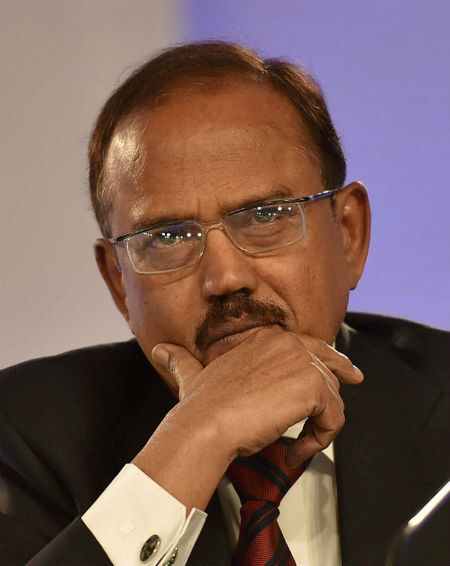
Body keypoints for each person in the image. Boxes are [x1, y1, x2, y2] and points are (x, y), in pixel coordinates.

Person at [0, 42, 448, 566]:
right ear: (119, 283)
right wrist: (194, 440)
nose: (226, 278)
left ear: (348, 235)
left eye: (265, 215)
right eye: (167, 237)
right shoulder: (24, 437)